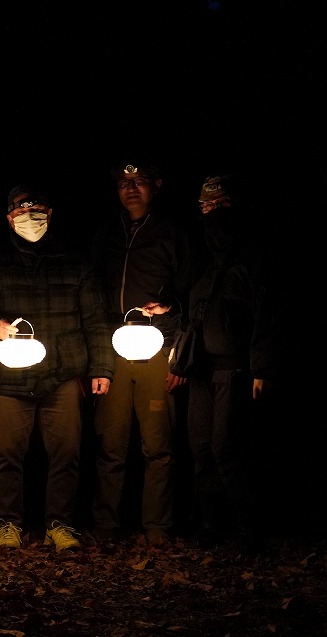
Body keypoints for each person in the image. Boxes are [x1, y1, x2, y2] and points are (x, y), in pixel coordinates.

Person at [0, 185, 114, 552]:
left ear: (50, 212)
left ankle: (60, 525)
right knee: (7, 455)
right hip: (9, 377)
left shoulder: (76, 260)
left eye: (36, 209)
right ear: (8, 217)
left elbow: (95, 320)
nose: (29, 217)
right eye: (20, 210)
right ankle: (9, 525)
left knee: (67, 453)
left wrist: (102, 368)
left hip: (62, 374)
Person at [90, 161, 195, 549]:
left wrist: (179, 353)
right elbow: (92, 295)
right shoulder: (106, 233)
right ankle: (105, 524)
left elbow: (191, 296)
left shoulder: (173, 234)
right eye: (123, 182)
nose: (130, 188)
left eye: (139, 182)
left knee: (158, 444)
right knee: (110, 443)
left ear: (157, 185)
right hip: (115, 349)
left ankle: (157, 528)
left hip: (157, 348)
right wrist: (96, 357)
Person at [182, 174, 272, 549]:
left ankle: (249, 528)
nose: (212, 214)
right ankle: (210, 525)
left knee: (226, 449)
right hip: (202, 369)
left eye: (220, 206)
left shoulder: (254, 255)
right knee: (200, 448)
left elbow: (269, 313)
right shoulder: (205, 258)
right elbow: (198, 310)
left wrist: (262, 366)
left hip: (234, 368)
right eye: (206, 207)